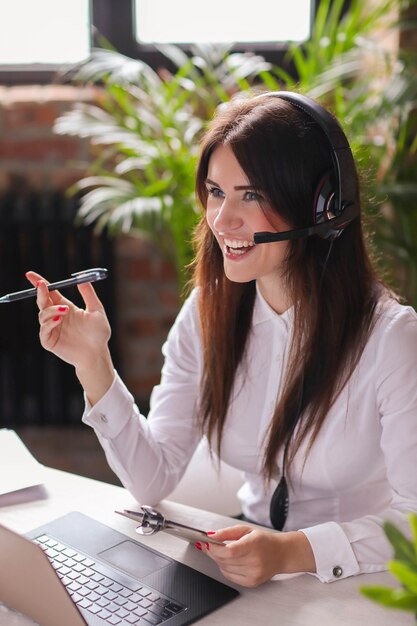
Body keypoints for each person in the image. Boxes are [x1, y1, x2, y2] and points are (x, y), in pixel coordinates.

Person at [26, 91, 417, 588]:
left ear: (321, 209)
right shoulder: (207, 312)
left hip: (362, 582)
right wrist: (92, 363)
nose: (222, 219)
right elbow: (152, 478)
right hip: (251, 573)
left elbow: (414, 523)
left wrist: (291, 552)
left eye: (250, 195)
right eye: (215, 192)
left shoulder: (392, 339)